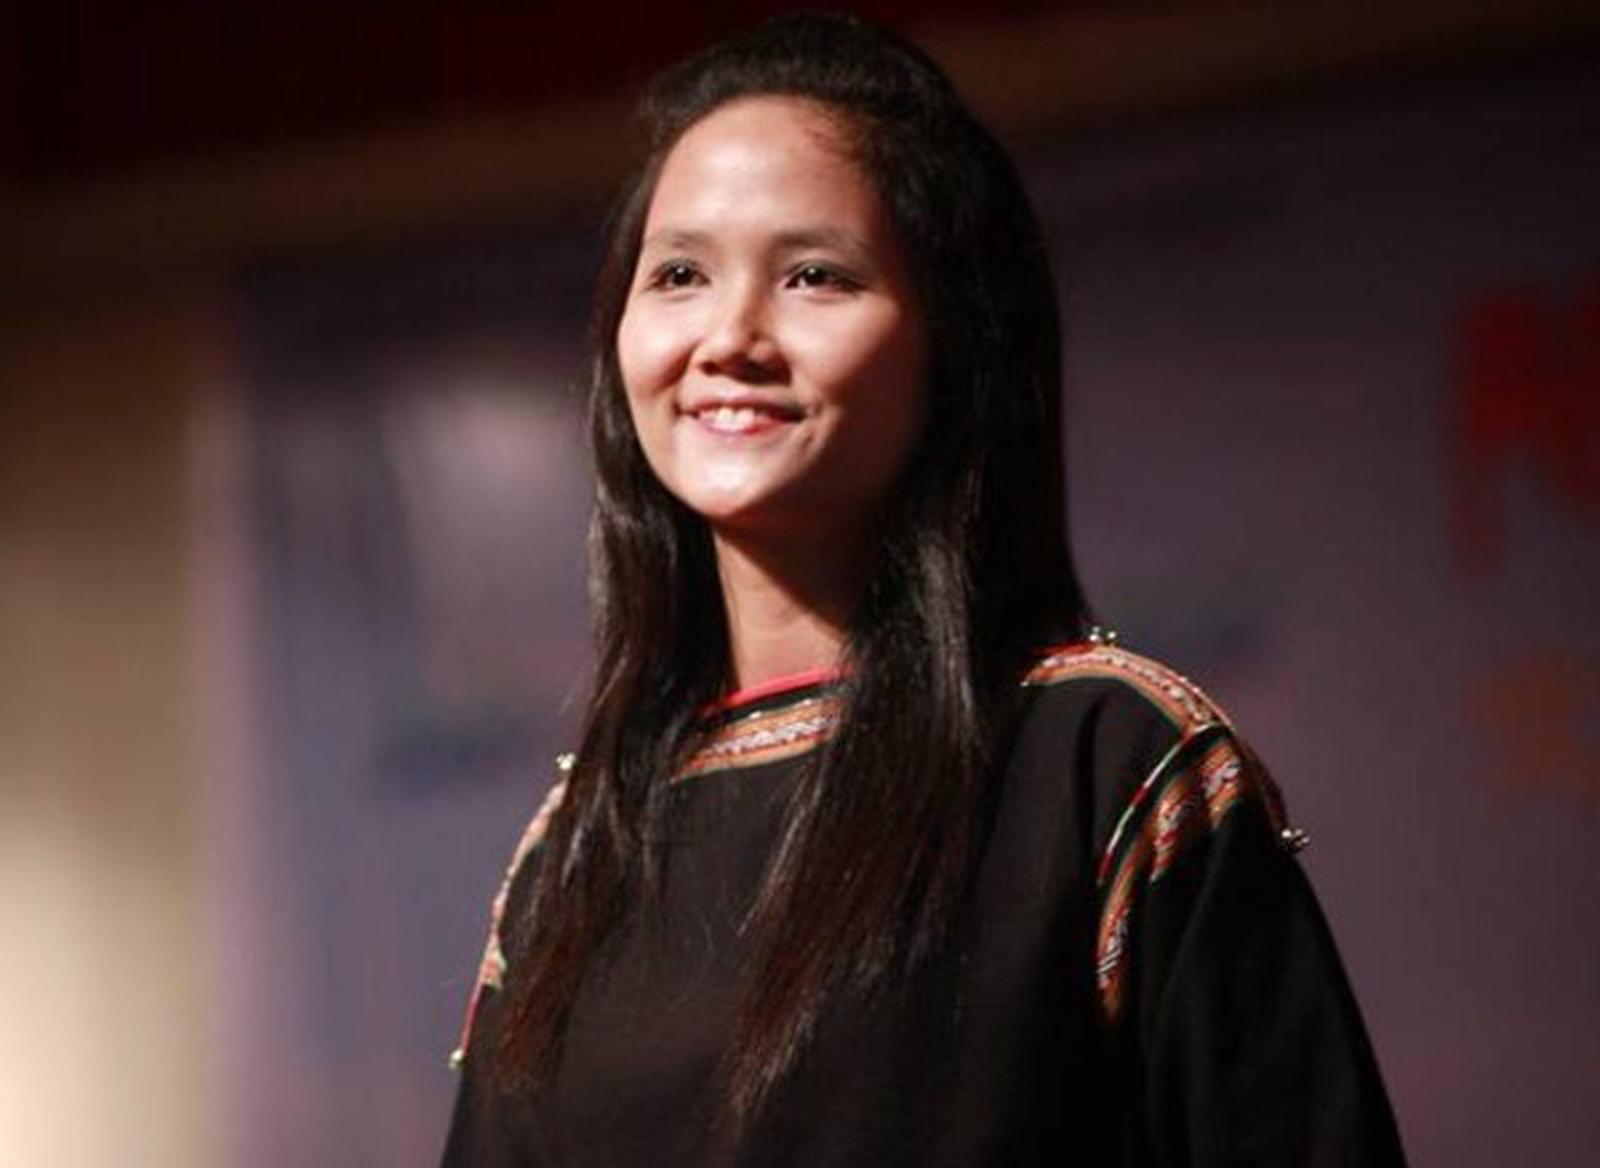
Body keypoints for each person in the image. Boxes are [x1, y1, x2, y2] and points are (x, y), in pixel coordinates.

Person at [443, 12, 1405, 1165]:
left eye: (813, 276)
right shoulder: (577, 848)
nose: (729, 336)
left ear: (953, 342)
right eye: (680, 274)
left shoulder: (1103, 763)